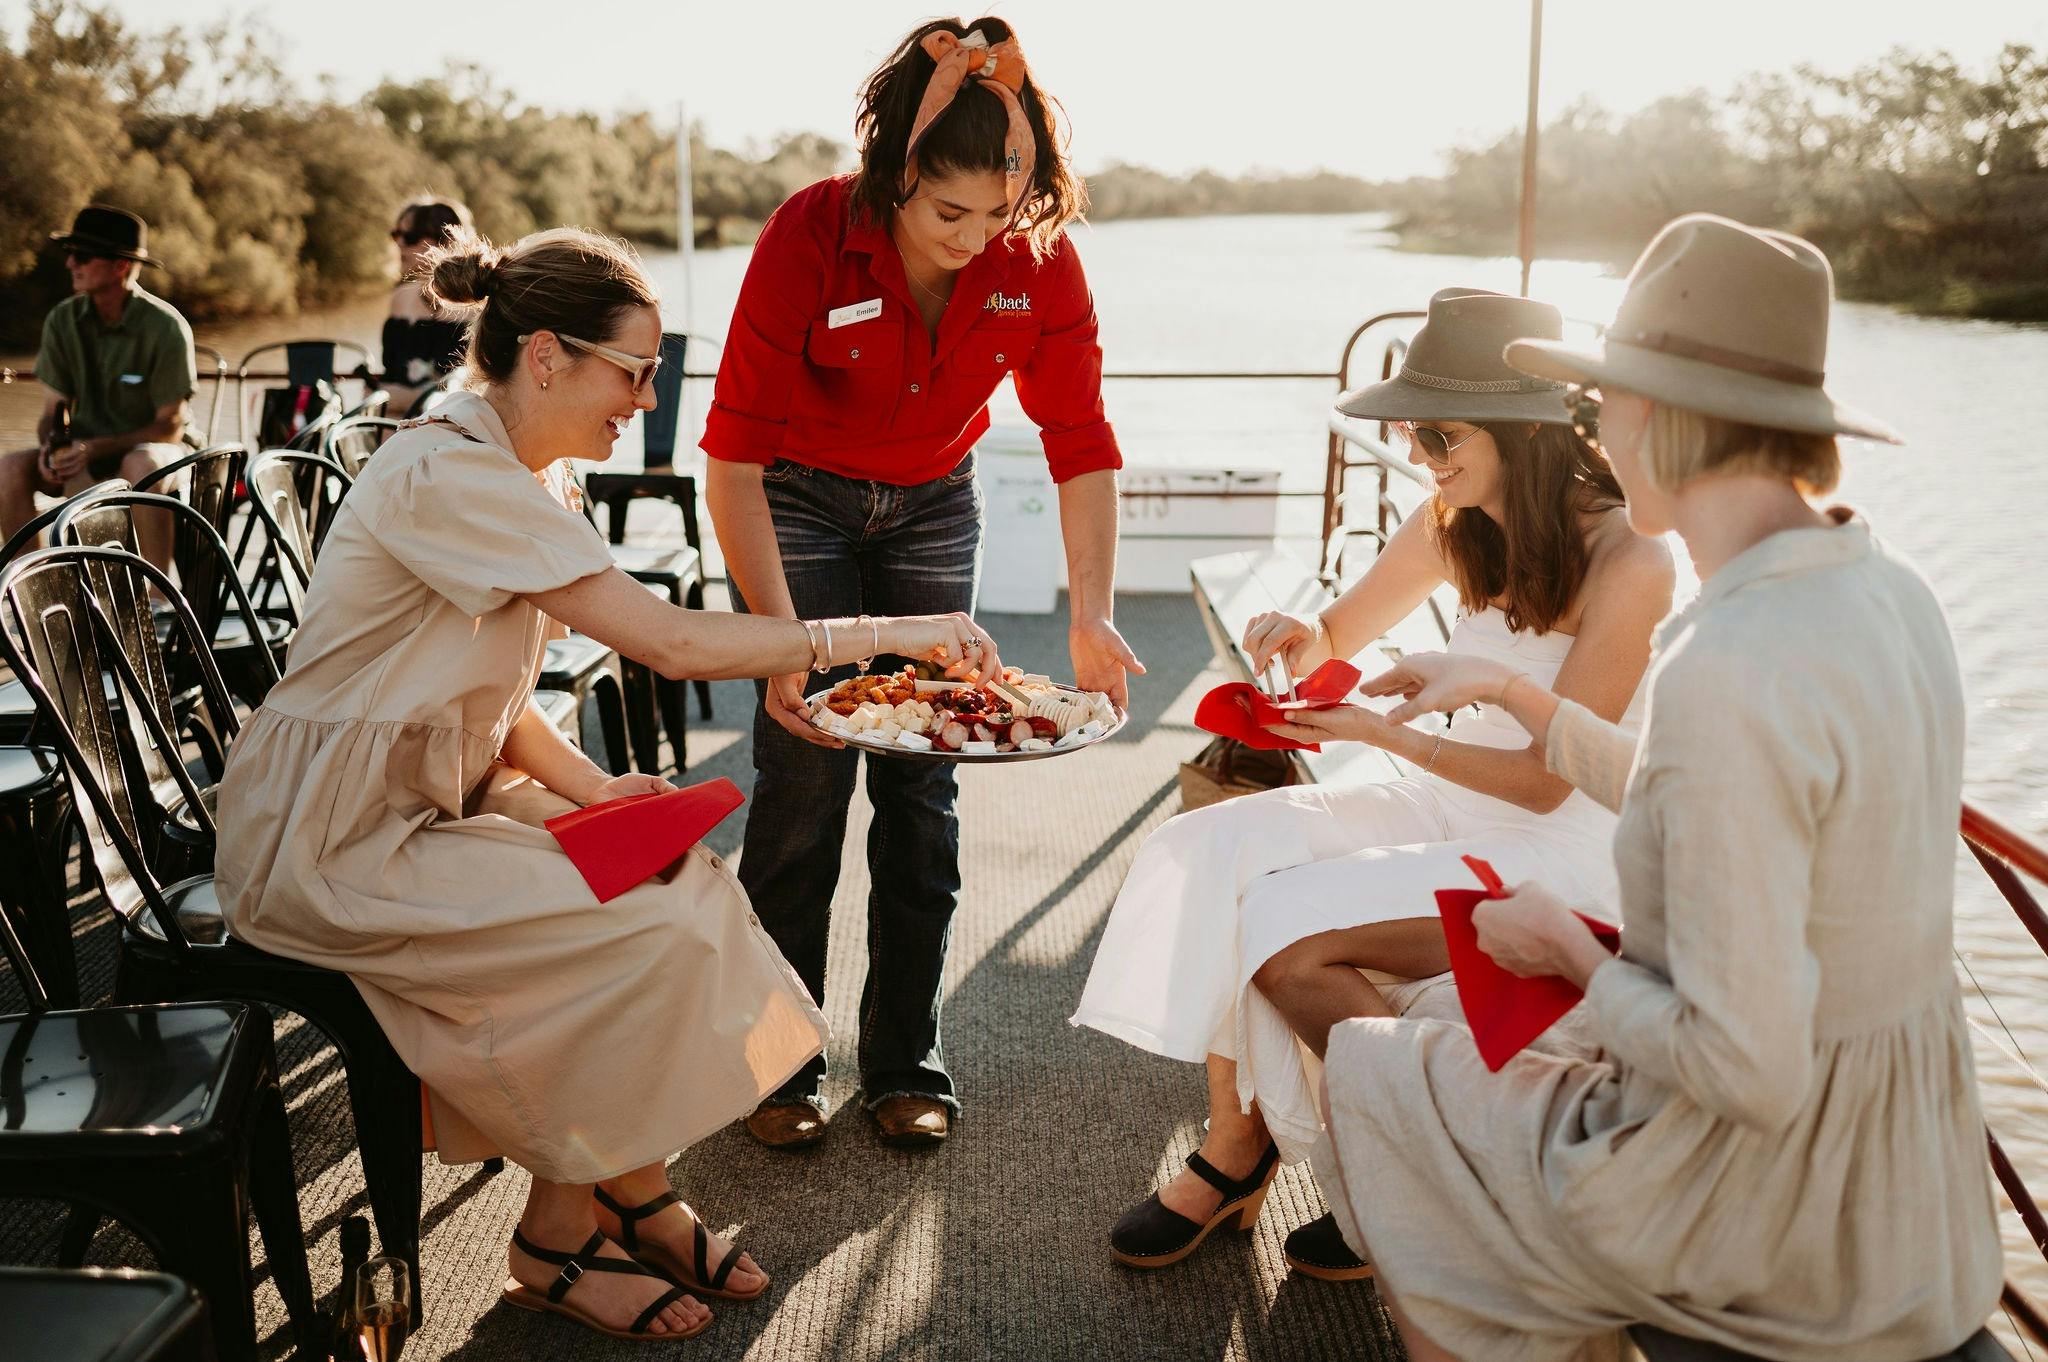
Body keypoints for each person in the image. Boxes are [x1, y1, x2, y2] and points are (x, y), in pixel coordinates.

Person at [213, 227, 1005, 1343]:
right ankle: (555, 1234)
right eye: (632, 372)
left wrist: (593, 796)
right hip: (330, 840)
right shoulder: (450, 474)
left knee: (677, 877)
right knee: (630, 931)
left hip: (425, 796)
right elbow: (670, 645)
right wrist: (893, 635)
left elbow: (482, 690)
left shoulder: (516, 466)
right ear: (546, 355)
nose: (645, 398)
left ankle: (626, 1190)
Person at [1323, 214, 2003, 1361]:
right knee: (1446, 1020)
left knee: (1376, 1070)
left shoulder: (1725, 658)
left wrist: (1565, 948)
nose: (1595, 428)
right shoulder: (1887, 592)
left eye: (1606, 403)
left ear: (1653, 414)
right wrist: (1519, 696)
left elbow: (1741, 1067)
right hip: (1913, 1191)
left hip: (1766, 1215)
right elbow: (1737, 792)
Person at [1072, 288, 1673, 1278]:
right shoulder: (1455, 518)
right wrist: (1291, 639)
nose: (1421, 454)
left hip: (1551, 847)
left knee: (1287, 936)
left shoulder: (1630, 558)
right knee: (1213, 848)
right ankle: (1247, 1146)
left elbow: (1544, 785)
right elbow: (1335, 635)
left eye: (1439, 433)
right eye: (1411, 432)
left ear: (1524, 426)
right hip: (1438, 801)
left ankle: (1430, 1168)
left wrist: (1378, 735)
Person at [702, 15, 1140, 1151]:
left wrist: (1091, 613)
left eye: (998, 213)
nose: (978, 238)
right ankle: (777, 1061)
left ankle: (904, 1056)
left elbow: (1081, 442)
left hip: (934, 502)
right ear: (892, 175)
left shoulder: (1032, 252)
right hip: (793, 500)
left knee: (926, 777)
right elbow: (733, 465)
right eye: (950, 213)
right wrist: (776, 649)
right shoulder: (807, 230)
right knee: (801, 780)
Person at [0, 205, 193, 571]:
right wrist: (52, 447)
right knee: (8, 468)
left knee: (142, 463)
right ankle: (32, 595)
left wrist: (95, 447)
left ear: (121, 266)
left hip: (159, 454)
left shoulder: (166, 327)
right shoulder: (62, 320)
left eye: (82, 255)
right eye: (69, 254)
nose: (71, 264)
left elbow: (170, 427)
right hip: (85, 453)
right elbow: (53, 413)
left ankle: (157, 598)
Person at [381, 197, 475, 415]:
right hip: (396, 422)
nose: (400, 244)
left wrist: (403, 397)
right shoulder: (400, 299)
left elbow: (475, 388)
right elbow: (391, 373)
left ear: (446, 241)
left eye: (410, 236)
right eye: (396, 235)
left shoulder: (477, 304)